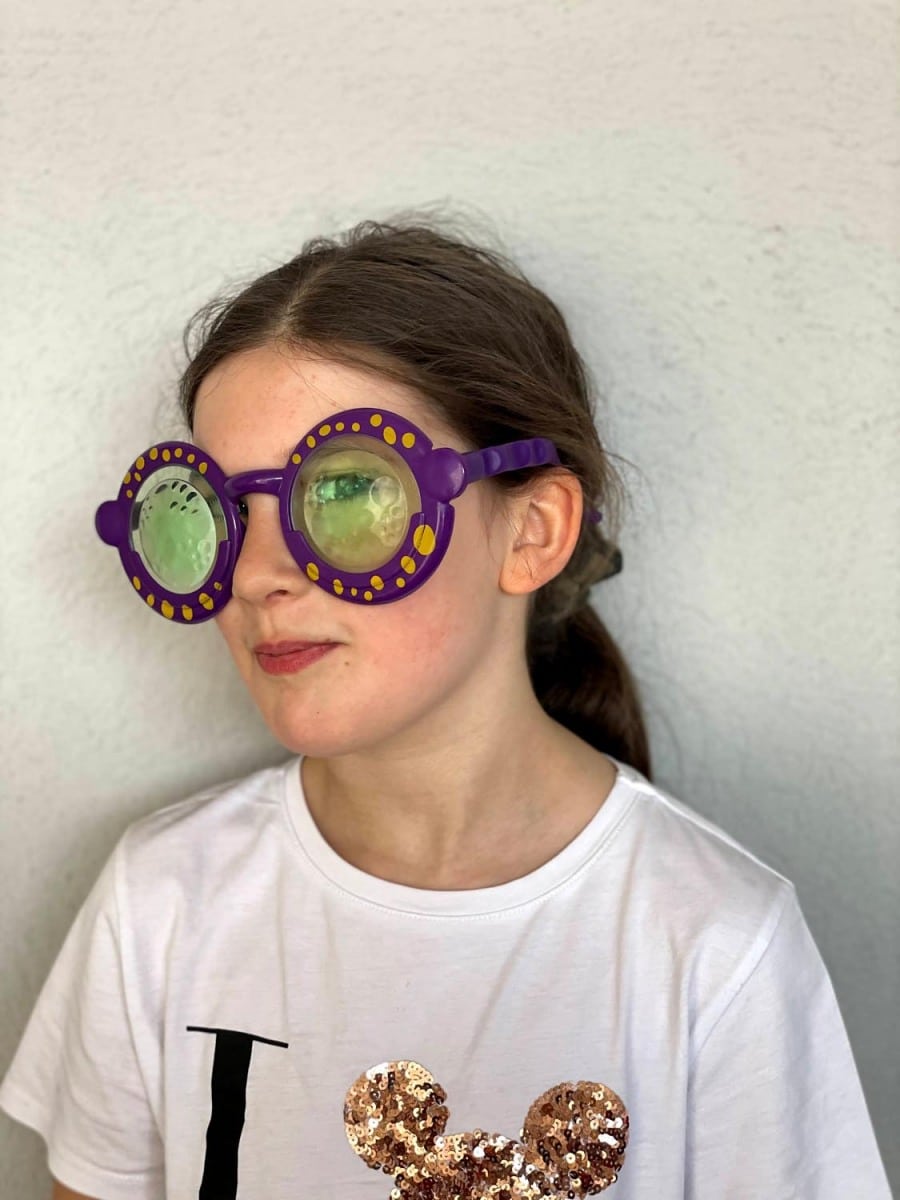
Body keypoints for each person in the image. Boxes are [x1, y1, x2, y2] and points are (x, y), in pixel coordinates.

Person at [1, 217, 891, 1200]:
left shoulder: (713, 946)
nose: (255, 576)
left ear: (532, 531)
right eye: (212, 511)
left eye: (346, 493)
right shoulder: (162, 901)